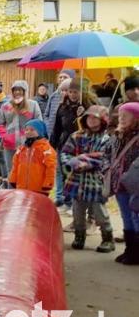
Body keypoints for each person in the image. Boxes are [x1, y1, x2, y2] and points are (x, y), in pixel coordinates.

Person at [62, 105, 114, 253]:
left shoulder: (106, 139)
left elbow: (105, 157)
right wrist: (75, 162)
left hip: (95, 182)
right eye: (89, 117)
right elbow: (65, 153)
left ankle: (107, 238)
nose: (91, 120)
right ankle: (79, 236)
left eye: (95, 117)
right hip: (77, 181)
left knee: (99, 212)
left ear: (102, 120)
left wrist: (87, 162)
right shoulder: (76, 136)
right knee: (78, 212)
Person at [50, 80, 94, 210]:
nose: (73, 95)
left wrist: (84, 114)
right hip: (64, 144)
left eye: (76, 92)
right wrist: (52, 144)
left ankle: (78, 205)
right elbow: (57, 128)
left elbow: (94, 127)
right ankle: (67, 201)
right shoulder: (63, 107)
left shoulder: (89, 106)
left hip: (81, 146)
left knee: (77, 176)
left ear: (82, 92)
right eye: (70, 92)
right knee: (65, 174)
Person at [108, 102, 139, 264]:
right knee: (126, 216)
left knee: (136, 216)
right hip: (120, 183)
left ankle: (136, 252)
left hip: (135, 185)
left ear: (136, 119)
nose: (121, 119)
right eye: (120, 116)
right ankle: (130, 249)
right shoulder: (117, 135)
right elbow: (108, 154)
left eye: (125, 116)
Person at [0, 80, 42, 178]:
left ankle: (25, 193)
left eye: (20, 90)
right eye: (15, 90)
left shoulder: (33, 105)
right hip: (9, 145)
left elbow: (39, 123)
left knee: (26, 171)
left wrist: (32, 136)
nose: (17, 92)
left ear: (25, 91)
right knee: (11, 171)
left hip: (27, 144)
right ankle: (11, 192)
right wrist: (5, 136)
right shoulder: (6, 106)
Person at [8, 119, 55, 195]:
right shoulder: (21, 149)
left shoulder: (46, 149)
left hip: (39, 189)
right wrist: (13, 179)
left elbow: (51, 167)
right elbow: (15, 165)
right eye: (26, 130)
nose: (28, 132)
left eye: (32, 130)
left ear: (40, 131)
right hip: (21, 188)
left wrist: (48, 184)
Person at [46, 69, 75, 138]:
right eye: (60, 77)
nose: (62, 79)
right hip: (52, 132)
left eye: (65, 77)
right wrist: (48, 125)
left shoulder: (74, 97)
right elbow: (46, 114)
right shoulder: (53, 96)